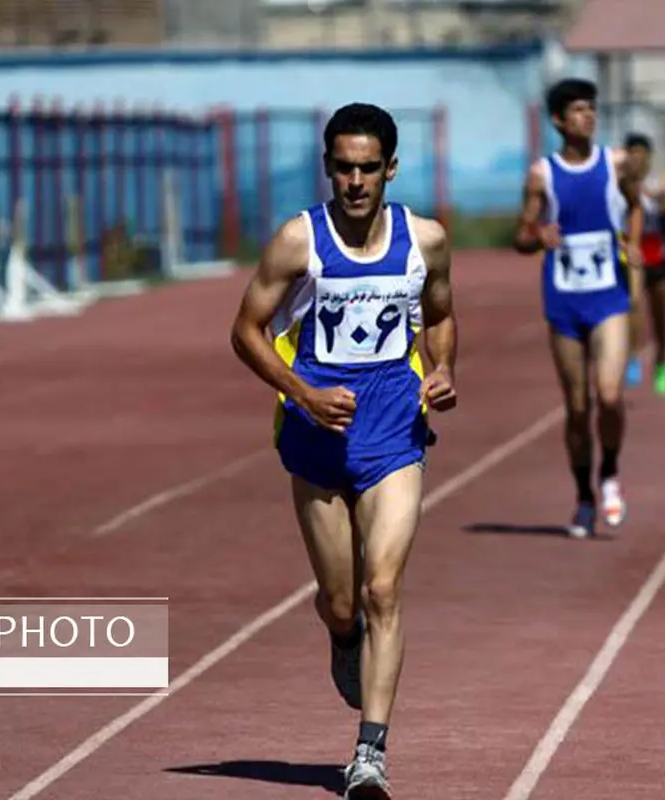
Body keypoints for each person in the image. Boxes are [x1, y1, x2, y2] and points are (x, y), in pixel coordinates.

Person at [229, 101, 458, 800]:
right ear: (327, 168)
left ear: (390, 168)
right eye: (342, 168)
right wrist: (302, 392)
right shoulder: (299, 241)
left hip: (392, 434)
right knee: (339, 601)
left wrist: (443, 368)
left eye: (367, 169)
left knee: (383, 587)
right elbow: (246, 331)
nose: (354, 182)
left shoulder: (426, 241)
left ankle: (370, 754)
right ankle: (341, 633)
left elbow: (442, 315)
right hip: (316, 437)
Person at [513, 77, 645, 539]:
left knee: (609, 395)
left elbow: (634, 206)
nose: (588, 117)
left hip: (609, 297)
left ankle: (609, 473)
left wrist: (631, 239)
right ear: (558, 120)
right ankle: (584, 497)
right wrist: (537, 237)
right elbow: (521, 235)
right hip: (564, 301)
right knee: (576, 406)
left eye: (592, 109)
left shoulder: (617, 164)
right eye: (578, 110)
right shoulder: (541, 175)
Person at [623, 132, 665, 396]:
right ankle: (633, 357)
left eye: (642, 153)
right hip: (634, 254)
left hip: (660, 255)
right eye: (633, 153)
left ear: (649, 157)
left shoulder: (662, 182)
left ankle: (662, 360)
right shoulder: (621, 183)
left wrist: (663, 200)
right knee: (634, 304)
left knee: (660, 315)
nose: (637, 158)